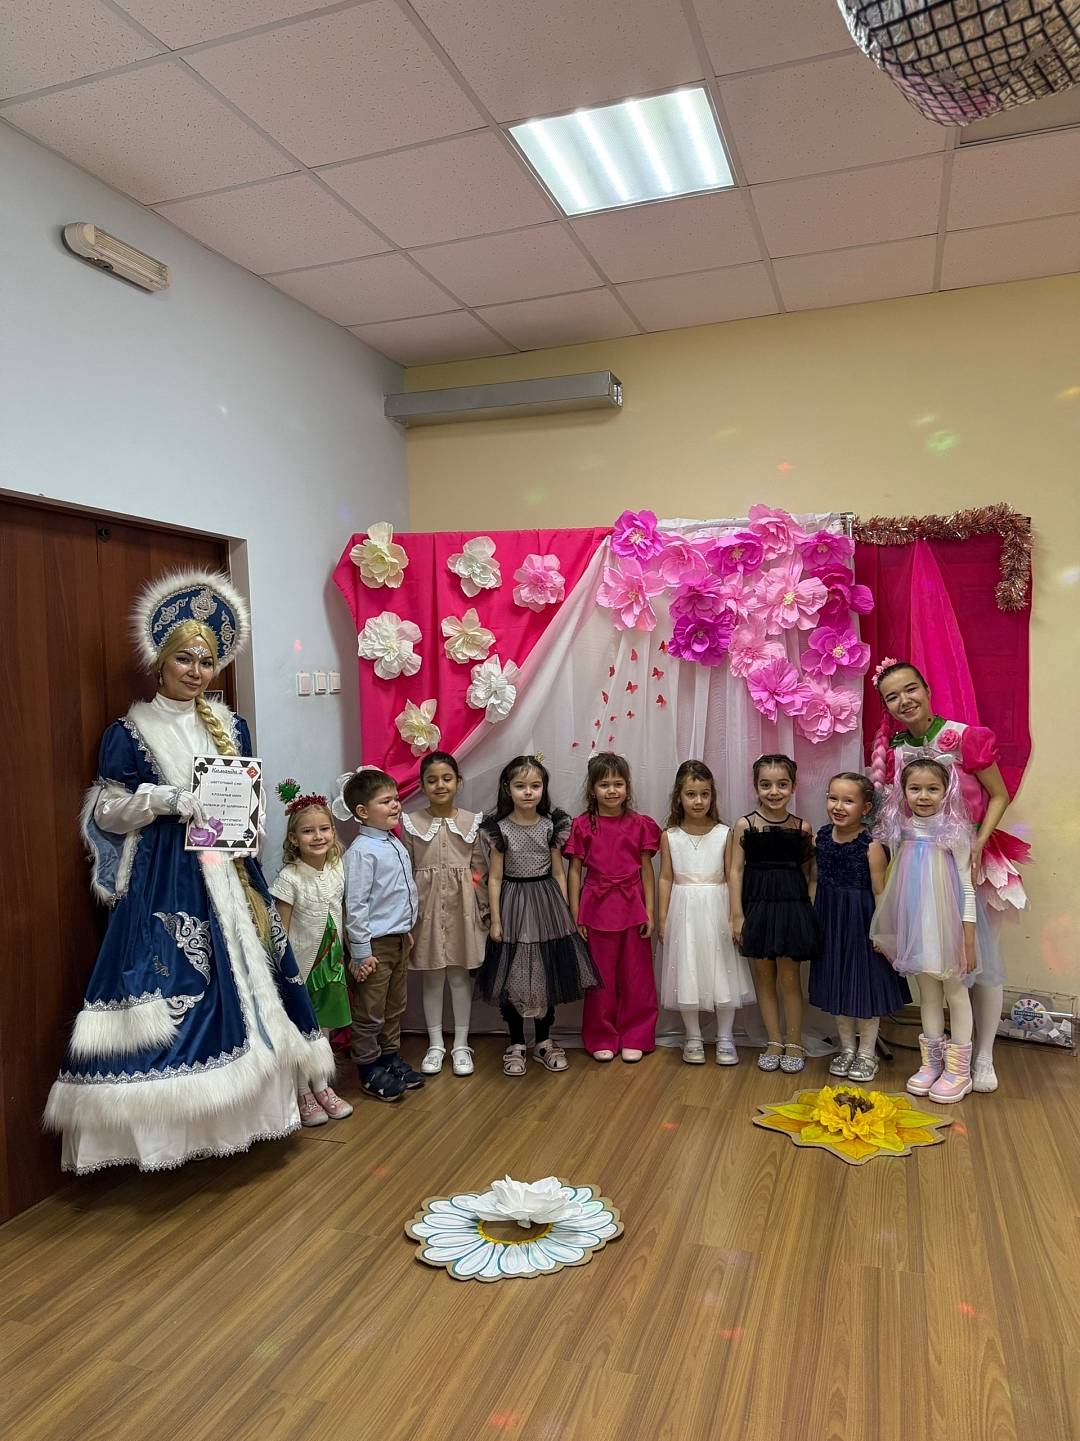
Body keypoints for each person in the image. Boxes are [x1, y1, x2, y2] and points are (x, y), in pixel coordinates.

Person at [44, 570, 334, 1174]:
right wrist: (164, 800)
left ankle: (260, 1115)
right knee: (180, 989)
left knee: (256, 984)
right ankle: (172, 1133)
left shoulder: (232, 725)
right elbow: (107, 813)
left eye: (206, 661)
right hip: (168, 879)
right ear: (160, 662)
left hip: (232, 872)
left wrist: (247, 819)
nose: (196, 671)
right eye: (184, 659)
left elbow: (245, 797)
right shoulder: (129, 732)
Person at [870, 659, 1019, 1092]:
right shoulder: (897, 749)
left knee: (979, 962)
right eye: (892, 696)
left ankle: (981, 1058)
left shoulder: (963, 736)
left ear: (927, 688)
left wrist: (978, 842)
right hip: (922, 863)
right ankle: (937, 1061)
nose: (904, 700)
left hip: (967, 855)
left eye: (910, 689)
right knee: (933, 971)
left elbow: (998, 794)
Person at [870, 760, 994, 1103]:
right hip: (919, 927)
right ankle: (931, 1065)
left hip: (950, 929)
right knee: (928, 994)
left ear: (946, 791)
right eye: (915, 789)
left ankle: (959, 1071)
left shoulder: (954, 833)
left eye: (932, 789)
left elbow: (966, 887)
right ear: (904, 792)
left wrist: (967, 941)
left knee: (956, 993)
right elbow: (900, 884)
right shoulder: (903, 830)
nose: (923, 796)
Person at [478, 755, 599, 1077]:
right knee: (513, 974)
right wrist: (497, 919)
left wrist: (566, 912)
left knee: (547, 972)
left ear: (543, 788)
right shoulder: (499, 829)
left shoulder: (550, 826)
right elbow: (494, 878)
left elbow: (559, 872)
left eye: (535, 785)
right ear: (508, 788)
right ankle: (516, 1042)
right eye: (521, 786)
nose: (528, 792)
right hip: (513, 905)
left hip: (547, 905)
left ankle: (544, 1040)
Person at [808, 772, 910, 1083]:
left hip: (861, 924)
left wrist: (882, 932)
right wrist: (812, 919)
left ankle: (867, 1053)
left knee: (864, 986)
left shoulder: (872, 846)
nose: (838, 806)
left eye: (848, 801)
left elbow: (880, 892)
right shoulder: (821, 839)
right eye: (833, 798)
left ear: (865, 808)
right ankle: (847, 1048)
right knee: (837, 984)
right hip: (830, 921)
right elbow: (814, 880)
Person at [728, 754, 821, 1074]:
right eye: (766, 785)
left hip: (792, 909)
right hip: (757, 909)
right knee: (764, 978)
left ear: (793, 787)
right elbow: (735, 871)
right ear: (755, 788)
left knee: (790, 978)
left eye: (782, 784)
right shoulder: (745, 825)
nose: (774, 791)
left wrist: (808, 910)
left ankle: (794, 1041)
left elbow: (809, 875)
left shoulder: (802, 827)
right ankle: (773, 1041)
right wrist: (737, 915)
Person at [565, 753, 660, 1064]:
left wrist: (649, 911)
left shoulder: (640, 824)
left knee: (637, 976)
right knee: (600, 978)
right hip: (596, 907)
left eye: (618, 784)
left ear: (627, 787)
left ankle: (636, 1035)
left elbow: (647, 870)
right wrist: (576, 913)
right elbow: (574, 872)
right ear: (592, 789)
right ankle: (601, 1035)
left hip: (633, 906)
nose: (612, 790)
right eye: (604, 784)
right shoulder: (582, 825)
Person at [658, 761, 753, 1066]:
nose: (698, 801)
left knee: (722, 971)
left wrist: (735, 915)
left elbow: (732, 875)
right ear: (679, 796)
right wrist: (662, 918)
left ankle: (725, 1037)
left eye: (705, 794)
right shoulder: (670, 835)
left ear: (712, 796)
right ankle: (693, 1037)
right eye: (691, 794)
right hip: (683, 909)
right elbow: (666, 878)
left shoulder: (725, 833)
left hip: (717, 907)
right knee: (687, 970)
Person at [338, 767, 424, 1103]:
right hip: (374, 946)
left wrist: (406, 932)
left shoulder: (393, 842)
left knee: (394, 1005)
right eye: (386, 801)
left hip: (398, 940)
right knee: (371, 1010)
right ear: (362, 811)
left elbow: (400, 894)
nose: (395, 805)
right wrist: (361, 952)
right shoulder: (362, 852)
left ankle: (389, 1056)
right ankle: (368, 1066)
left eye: (396, 799)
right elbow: (356, 905)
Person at [269, 782, 352, 1126]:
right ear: (293, 838)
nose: (318, 837)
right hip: (304, 968)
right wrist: (285, 976)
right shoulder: (289, 879)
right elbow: (280, 932)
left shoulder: (337, 868)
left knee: (325, 1026)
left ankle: (322, 1085)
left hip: (332, 963)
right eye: (308, 831)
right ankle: (302, 1091)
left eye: (324, 829)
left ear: (333, 831)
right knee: (304, 1026)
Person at [400, 751, 487, 1079]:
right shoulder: (411, 822)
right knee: (432, 976)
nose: (440, 785)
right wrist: (407, 916)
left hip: (463, 910)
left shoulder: (471, 821)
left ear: (458, 782)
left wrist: (484, 911)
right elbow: (406, 871)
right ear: (422, 785)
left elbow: (479, 870)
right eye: (432, 780)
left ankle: (461, 1044)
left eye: (447, 778)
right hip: (427, 911)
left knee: (459, 976)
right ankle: (435, 1043)